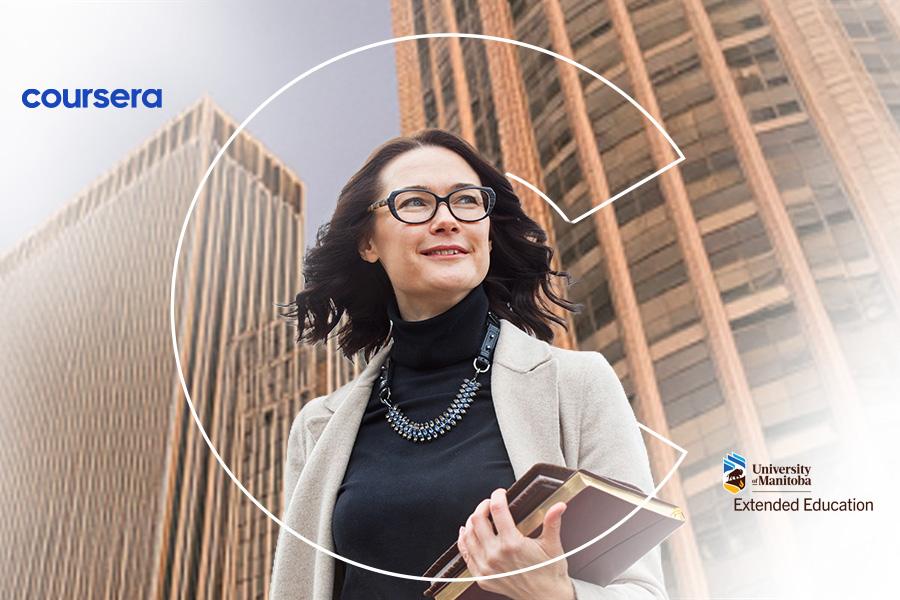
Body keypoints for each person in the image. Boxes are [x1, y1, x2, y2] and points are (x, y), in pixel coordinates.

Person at [270, 129, 667, 600]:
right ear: (367, 242)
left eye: (466, 201)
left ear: (488, 232)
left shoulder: (577, 384)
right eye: (415, 203)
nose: (447, 220)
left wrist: (554, 593)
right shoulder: (317, 428)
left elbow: (644, 591)